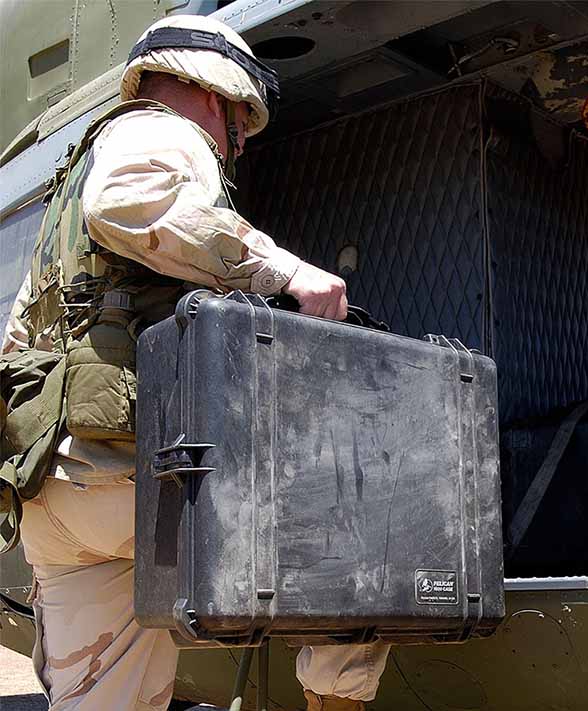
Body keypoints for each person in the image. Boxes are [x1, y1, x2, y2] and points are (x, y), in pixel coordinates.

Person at [2, 14, 389, 711]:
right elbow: (128, 202)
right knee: (356, 503)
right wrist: (285, 271)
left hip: (58, 496)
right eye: (239, 129)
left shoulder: (66, 193)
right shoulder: (161, 130)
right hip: (137, 481)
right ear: (217, 97)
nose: (234, 146)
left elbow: (19, 342)